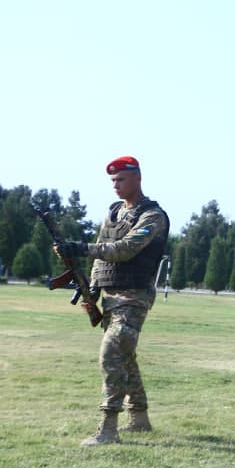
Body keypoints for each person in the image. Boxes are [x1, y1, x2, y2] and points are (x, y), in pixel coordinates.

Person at [55, 156, 169, 446]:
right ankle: (139, 419)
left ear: (137, 178)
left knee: (111, 352)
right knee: (125, 355)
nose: (116, 185)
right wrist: (92, 289)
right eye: (113, 181)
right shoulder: (114, 212)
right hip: (110, 296)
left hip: (134, 296)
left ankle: (108, 429)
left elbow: (125, 249)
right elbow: (100, 255)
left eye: (121, 179)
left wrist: (80, 248)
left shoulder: (152, 217)